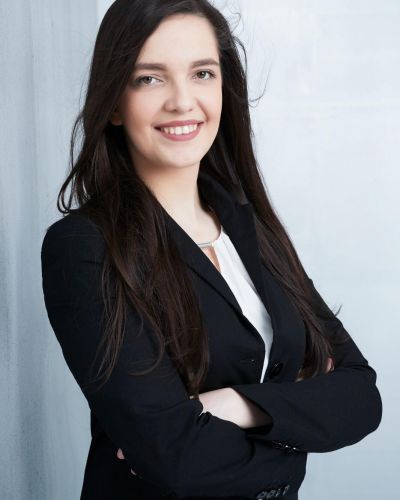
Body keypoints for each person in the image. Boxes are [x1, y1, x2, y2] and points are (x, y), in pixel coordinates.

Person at [40, 1, 382, 499]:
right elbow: (173, 455)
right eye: (149, 79)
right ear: (113, 104)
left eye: (202, 73)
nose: (182, 101)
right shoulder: (84, 247)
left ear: (224, 88)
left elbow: (361, 394)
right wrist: (296, 437)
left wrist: (235, 404)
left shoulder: (251, 226)